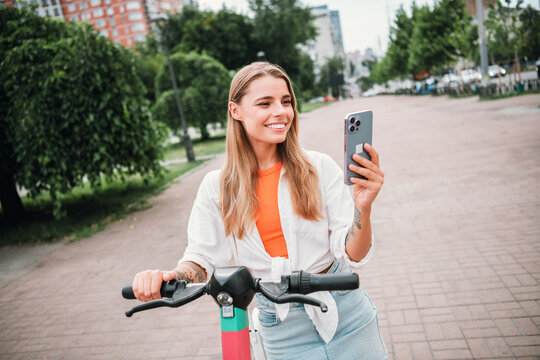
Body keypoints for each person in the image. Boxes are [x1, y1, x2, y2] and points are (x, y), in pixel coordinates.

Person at [131, 62, 387, 359]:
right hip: (280, 324)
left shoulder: (319, 167)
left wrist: (362, 208)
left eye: (286, 101)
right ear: (235, 110)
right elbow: (200, 260)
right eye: (265, 103)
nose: (280, 111)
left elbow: (353, 253)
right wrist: (170, 277)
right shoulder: (217, 187)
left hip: (345, 311)